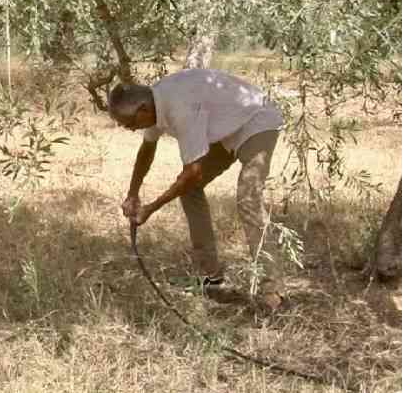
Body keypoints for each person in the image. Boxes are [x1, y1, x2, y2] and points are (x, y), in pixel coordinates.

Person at [108, 68, 285, 311]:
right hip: (224, 131)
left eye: (129, 123)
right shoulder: (156, 100)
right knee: (189, 191)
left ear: (143, 110)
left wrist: (151, 208)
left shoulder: (179, 107)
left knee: (248, 197)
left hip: (255, 120)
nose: (129, 129)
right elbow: (147, 149)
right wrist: (133, 193)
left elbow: (193, 173)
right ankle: (212, 280)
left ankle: (271, 292)